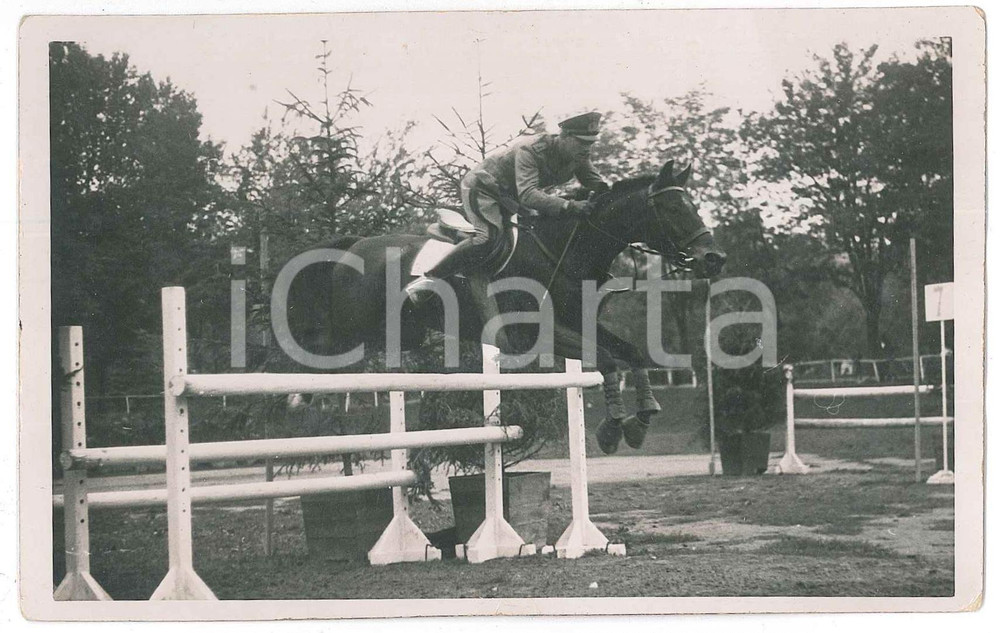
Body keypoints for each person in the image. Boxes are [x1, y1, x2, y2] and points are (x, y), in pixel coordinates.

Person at [405, 111, 611, 300]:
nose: (587, 148)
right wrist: (570, 206)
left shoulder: (578, 155)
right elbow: (528, 194)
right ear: (564, 136)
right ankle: (428, 280)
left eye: (591, 143)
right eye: (582, 142)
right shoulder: (531, 149)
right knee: (486, 237)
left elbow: (597, 184)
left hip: (512, 199)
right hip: (484, 189)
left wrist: (610, 196)